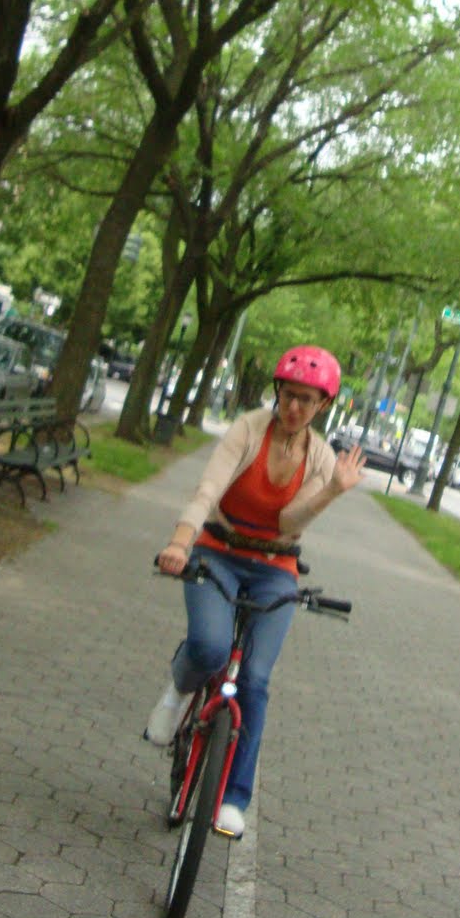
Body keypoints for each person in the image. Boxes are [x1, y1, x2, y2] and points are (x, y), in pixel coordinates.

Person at [147, 345, 365, 839]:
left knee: (256, 681)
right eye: (289, 396)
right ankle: (178, 691)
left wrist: (332, 489)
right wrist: (180, 542)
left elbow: (289, 521)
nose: (294, 408)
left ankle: (233, 798)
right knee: (209, 645)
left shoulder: (321, 458)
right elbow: (209, 488)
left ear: (323, 406)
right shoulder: (248, 428)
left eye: (307, 401)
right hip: (217, 553)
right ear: (277, 392)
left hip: (274, 570)